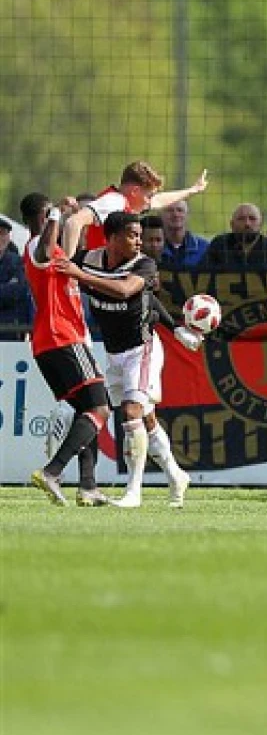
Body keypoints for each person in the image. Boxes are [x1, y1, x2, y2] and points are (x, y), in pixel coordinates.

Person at [56, 212, 200, 508]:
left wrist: (174, 329)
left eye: (140, 235)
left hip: (142, 349)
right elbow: (58, 260)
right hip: (113, 353)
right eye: (132, 235)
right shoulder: (89, 259)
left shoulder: (144, 264)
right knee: (146, 419)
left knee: (131, 412)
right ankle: (176, 474)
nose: (139, 241)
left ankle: (133, 492)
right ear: (111, 238)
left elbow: (127, 290)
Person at [19, 193, 115, 506]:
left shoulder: (58, 250)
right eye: (49, 215)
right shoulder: (37, 245)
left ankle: (88, 487)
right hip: (62, 338)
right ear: (41, 217)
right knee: (100, 408)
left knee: (84, 412)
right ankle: (52, 471)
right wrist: (57, 215)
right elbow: (45, 250)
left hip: (58, 341)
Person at [59, 162, 209, 259]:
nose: (149, 201)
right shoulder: (113, 201)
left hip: (109, 275)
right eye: (148, 195)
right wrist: (68, 266)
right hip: (98, 277)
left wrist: (192, 190)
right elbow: (73, 222)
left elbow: (159, 200)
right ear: (135, 191)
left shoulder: (127, 203)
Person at [203, 204, 267, 270]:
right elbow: (201, 273)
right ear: (232, 224)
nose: (247, 224)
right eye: (241, 219)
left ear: (260, 224)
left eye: (252, 219)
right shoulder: (219, 245)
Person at [157, 199, 210, 269]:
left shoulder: (205, 248)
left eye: (180, 210)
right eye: (169, 210)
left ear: (188, 215)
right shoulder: (152, 246)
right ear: (160, 215)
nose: (175, 214)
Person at [0, 215, 31, 330]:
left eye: (3, 233)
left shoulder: (17, 262)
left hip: (11, 327)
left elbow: (19, 290)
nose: (0, 238)